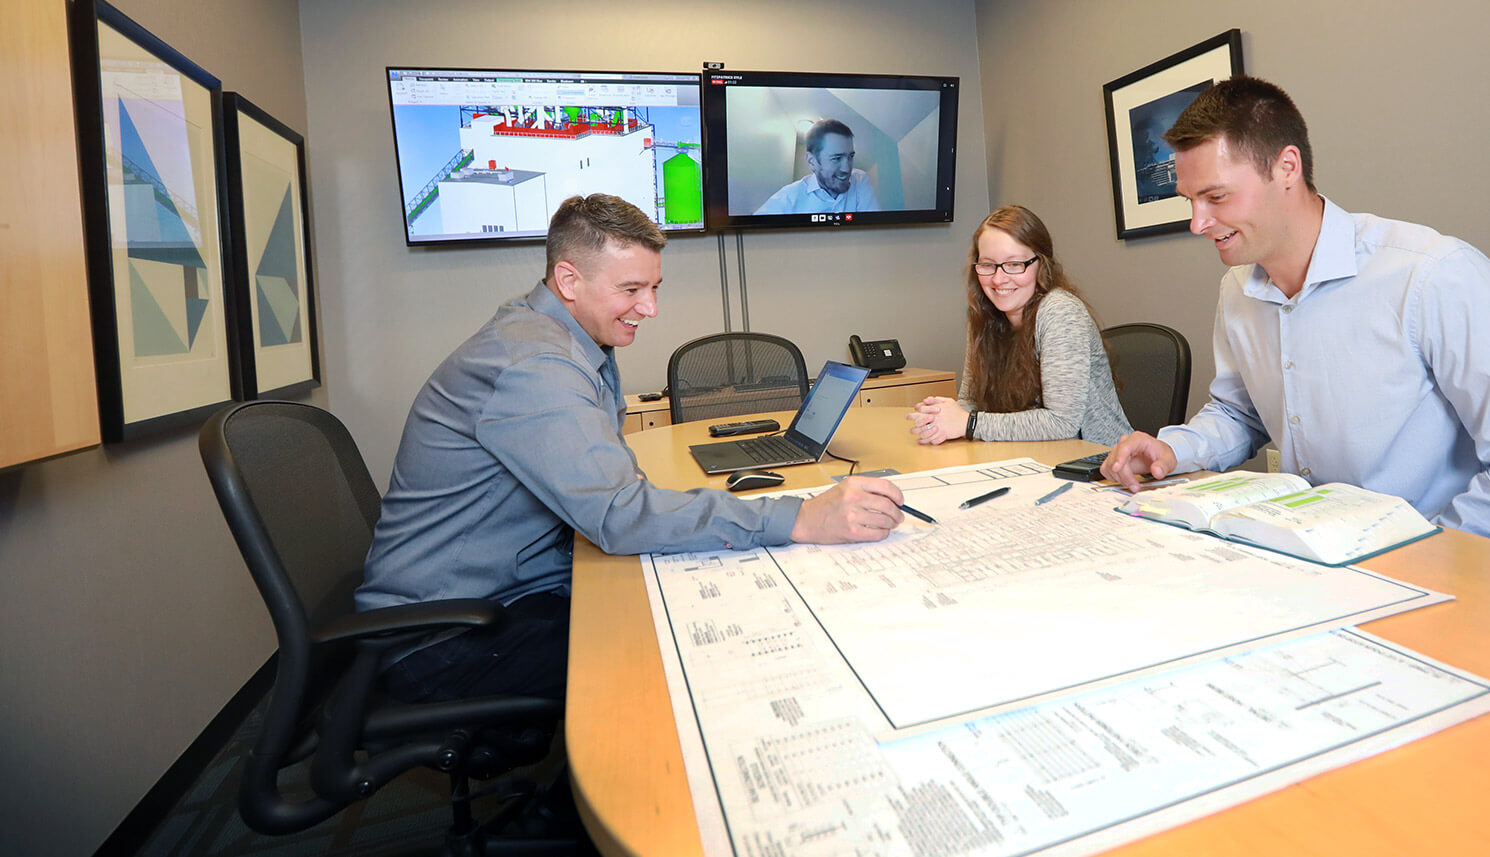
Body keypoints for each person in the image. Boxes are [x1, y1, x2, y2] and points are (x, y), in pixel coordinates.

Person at [357, 194, 905, 702]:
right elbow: (619, 514)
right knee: (679, 662)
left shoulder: (564, 338)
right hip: (442, 639)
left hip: (507, 593)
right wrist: (801, 518)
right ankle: (560, 811)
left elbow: (613, 482)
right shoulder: (534, 365)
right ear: (568, 280)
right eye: (631, 290)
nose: (650, 308)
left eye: (654, 288)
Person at [1100, 76, 1490, 537]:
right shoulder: (1237, 289)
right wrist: (1174, 450)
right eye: (1191, 200)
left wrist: (1441, 551)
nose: (1198, 222)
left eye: (1216, 196)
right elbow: (1238, 413)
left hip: (1430, 557)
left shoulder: (1432, 274)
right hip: (1310, 548)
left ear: (1287, 167)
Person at [907, 205, 1131, 447]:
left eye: (1014, 264)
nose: (998, 279)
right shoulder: (984, 314)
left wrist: (968, 423)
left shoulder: (1060, 311)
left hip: (1096, 462)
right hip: (1027, 456)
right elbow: (970, 401)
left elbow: (1063, 423)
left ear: (1041, 264)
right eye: (988, 264)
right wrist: (940, 418)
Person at [754, 118, 880, 214]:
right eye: (836, 158)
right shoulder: (789, 196)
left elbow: (874, 229)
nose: (846, 169)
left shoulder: (860, 180)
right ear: (812, 161)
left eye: (850, 156)